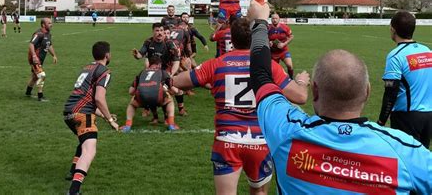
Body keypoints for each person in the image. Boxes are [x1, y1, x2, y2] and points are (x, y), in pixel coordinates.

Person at [247, 0, 431, 194]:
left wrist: (259, 23)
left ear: (315, 90)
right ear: (367, 91)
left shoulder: (286, 132)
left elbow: (260, 75)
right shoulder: (406, 150)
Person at [174, 17, 309, 195]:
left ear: (232, 38)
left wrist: (187, 70)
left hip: (227, 140)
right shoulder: (268, 66)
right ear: (254, 39)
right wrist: (301, 81)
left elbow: (176, 81)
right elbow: (300, 96)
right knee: (259, 191)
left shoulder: (216, 64)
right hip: (260, 141)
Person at [63, 41, 119, 194]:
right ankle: (74, 191)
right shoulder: (104, 71)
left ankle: (72, 171)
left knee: (84, 141)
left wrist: (103, 115)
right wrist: (111, 120)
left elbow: (87, 98)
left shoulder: (87, 68)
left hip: (68, 112)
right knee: (89, 150)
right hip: (83, 114)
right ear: (107, 55)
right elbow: (99, 98)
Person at [378, 10, 432, 148]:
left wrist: (381, 121)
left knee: (405, 160)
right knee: (422, 158)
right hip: (428, 116)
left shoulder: (395, 56)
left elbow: (391, 93)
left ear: (393, 30)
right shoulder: (427, 51)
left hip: (406, 117)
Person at [120, 56, 181, 132]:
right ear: (159, 65)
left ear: (149, 64)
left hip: (142, 95)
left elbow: (131, 91)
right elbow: (174, 90)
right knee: (170, 101)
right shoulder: (162, 72)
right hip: (157, 96)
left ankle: (128, 125)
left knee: (132, 104)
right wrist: (172, 91)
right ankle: (171, 124)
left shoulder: (142, 72)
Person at [25, 18, 58, 101]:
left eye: (51, 23)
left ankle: (28, 93)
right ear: (43, 25)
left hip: (40, 59)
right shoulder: (39, 34)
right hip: (35, 59)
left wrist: (54, 55)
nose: (51, 24)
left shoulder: (48, 34)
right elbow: (31, 44)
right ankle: (40, 96)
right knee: (42, 75)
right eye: (49, 23)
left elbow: (49, 45)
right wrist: (34, 56)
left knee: (35, 77)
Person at [268, 13, 294, 78]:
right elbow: (263, 38)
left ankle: (291, 78)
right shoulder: (268, 28)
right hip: (272, 53)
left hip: (283, 51)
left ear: (279, 19)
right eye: (273, 18)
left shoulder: (284, 27)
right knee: (273, 70)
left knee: (289, 65)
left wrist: (284, 44)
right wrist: (268, 42)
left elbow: (291, 36)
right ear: (271, 20)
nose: (274, 20)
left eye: (276, 18)